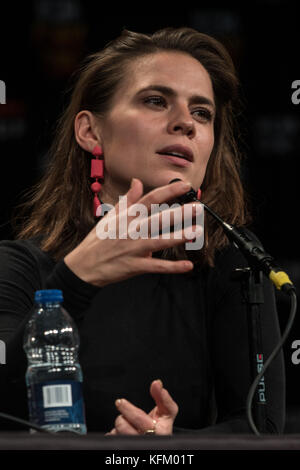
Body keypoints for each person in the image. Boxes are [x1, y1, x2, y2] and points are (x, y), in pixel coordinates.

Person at [0, 27, 285, 435]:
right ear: (90, 131)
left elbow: (262, 425)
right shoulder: (20, 265)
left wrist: (165, 446)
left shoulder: (231, 261)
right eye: (155, 101)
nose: (186, 122)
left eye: (202, 113)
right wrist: (77, 278)